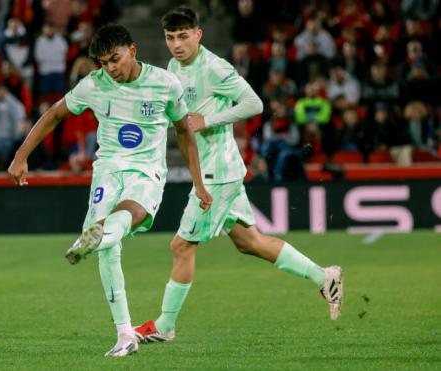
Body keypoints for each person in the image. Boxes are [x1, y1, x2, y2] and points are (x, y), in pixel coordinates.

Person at [133, 7, 344, 344]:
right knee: (250, 242)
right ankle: (325, 276)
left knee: (181, 246)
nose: (176, 44)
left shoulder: (215, 67)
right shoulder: (174, 67)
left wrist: (209, 120)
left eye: (183, 36)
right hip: (216, 168)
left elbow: (254, 103)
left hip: (219, 172)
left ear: (198, 34)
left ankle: (164, 327)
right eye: (171, 38)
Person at [7, 23, 211, 357]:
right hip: (107, 171)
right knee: (108, 249)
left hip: (146, 171)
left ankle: (96, 235)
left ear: (133, 50)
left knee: (132, 214)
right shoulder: (94, 85)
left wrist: (199, 183)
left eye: (114, 59)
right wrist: (20, 156)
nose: (110, 68)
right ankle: (124, 334)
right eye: (103, 63)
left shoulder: (164, 84)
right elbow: (55, 114)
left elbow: (184, 133)